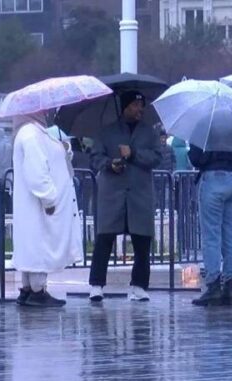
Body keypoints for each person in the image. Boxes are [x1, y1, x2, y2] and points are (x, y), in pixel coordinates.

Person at [88, 91, 162, 302]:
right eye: (135, 105)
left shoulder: (149, 133)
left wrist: (134, 154)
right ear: (125, 107)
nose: (139, 109)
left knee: (142, 241)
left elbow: (157, 157)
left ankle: (139, 285)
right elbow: (95, 157)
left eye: (141, 105)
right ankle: (96, 285)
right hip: (112, 193)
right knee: (104, 239)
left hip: (140, 193)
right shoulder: (106, 132)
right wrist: (110, 164)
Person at [12, 111, 83, 307]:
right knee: (39, 244)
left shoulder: (34, 132)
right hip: (40, 204)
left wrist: (64, 149)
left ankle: (28, 288)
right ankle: (37, 289)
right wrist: (49, 198)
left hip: (34, 204)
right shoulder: (31, 135)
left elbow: (50, 156)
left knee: (33, 245)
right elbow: (37, 171)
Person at [188, 112, 232, 307]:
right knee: (231, 234)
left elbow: (195, 157)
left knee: (211, 234)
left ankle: (213, 285)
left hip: (214, 178)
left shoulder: (205, 122)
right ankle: (229, 287)